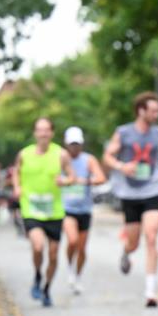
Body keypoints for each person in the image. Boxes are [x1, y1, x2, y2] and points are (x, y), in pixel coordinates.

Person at [103, 92, 158, 307]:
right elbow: (108, 156)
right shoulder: (124, 133)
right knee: (133, 242)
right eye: (153, 110)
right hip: (129, 193)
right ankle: (126, 252)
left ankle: (150, 291)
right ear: (141, 111)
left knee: (151, 237)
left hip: (152, 190)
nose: (156, 114)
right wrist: (123, 166)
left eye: (157, 111)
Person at [12, 117, 79, 307]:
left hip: (54, 211)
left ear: (51, 133)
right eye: (39, 130)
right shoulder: (24, 154)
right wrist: (17, 187)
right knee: (38, 246)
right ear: (35, 133)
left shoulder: (61, 154)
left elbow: (72, 177)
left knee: (54, 254)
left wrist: (64, 181)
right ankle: (37, 276)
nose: (43, 134)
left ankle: (47, 288)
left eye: (46, 130)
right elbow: (15, 171)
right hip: (31, 208)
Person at [61, 126, 107, 294]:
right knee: (72, 240)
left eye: (77, 144)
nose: (75, 147)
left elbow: (101, 178)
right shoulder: (61, 159)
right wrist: (65, 181)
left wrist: (85, 181)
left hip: (84, 209)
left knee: (81, 248)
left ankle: (77, 275)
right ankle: (69, 266)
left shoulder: (88, 160)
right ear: (66, 144)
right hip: (67, 208)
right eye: (72, 144)